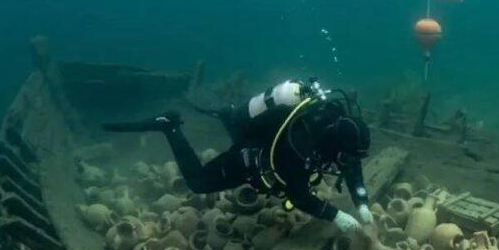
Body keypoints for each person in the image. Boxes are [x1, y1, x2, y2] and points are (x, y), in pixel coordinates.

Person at [103, 79, 374, 233]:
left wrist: (361, 203)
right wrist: (336, 216)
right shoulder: (299, 145)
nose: (347, 162)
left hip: (266, 138)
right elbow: (298, 195)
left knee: (238, 123)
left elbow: (350, 163)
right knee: (198, 182)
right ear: (334, 143)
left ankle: (229, 115)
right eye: (344, 156)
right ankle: (169, 126)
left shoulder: (331, 124)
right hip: (254, 154)